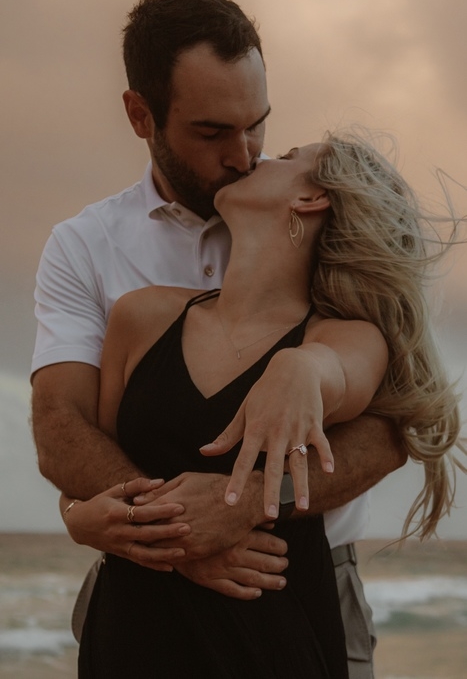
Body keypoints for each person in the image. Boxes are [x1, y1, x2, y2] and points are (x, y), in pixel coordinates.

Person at [31, 0, 405, 677]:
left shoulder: (332, 279)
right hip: (142, 584)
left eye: (258, 126)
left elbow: (391, 430)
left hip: (288, 576)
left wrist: (242, 509)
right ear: (140, 114)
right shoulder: (91, 253)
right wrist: (169, 536)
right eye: (211, 133)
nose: (244, 155)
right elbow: (65, 430)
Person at [60, 133, 463, 678]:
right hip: (131, 633)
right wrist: (76, 518)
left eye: (289, 158)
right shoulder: (140, 316)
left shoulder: (344, 338)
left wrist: (301, 367)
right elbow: (90, 479)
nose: (258, 157)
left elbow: (339, 372)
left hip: (269, 637)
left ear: (310, 199)